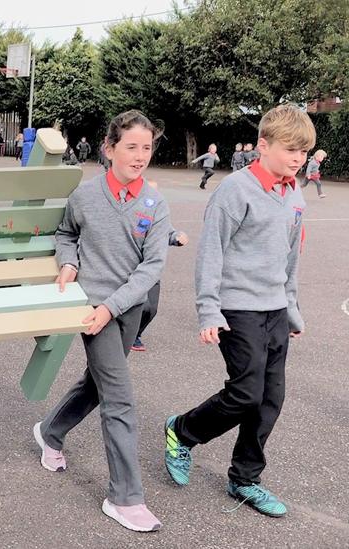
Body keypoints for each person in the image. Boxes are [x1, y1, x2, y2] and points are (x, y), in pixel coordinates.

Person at [164, 104, 314, 519]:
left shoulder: (294, 192)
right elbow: (211, 252)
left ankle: (245, 479)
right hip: (237, 307)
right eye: (291, 150)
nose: (297, 159)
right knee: (246, 392)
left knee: (271, 398)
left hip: (275, 309)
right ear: (262, 146)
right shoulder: (235, 190)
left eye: (304, 152)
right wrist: (208, 310)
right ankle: (182, 431)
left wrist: (293, 309)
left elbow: (289, 258)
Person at [34, 110, 170, 532]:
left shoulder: (155, 203)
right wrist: (68, 263)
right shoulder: (86, 196)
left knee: (99, 382)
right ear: (109, 149)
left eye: (146, 148)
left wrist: (116, 306)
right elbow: (66, 234)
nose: (140, 155)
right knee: (120, 398)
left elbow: (152, 269)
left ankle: (51, 432)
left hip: (129, 308)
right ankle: (124, 497)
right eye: (131, 146)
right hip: (93, 310)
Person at [132, 206, 188, 352]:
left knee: (150, 309)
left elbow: (168, 233)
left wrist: (177, 237)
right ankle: (128, 335)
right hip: (132, 270)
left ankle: (136, 333)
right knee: (139, 306)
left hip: (152, 271)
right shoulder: (131, 215)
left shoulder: (158, 216)